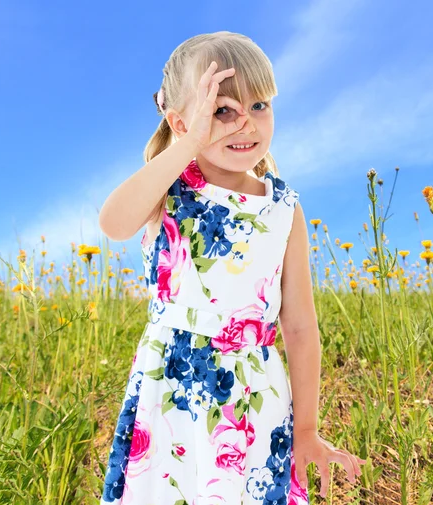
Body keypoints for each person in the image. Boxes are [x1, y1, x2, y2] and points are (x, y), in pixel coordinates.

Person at [98, 31, 366, 504]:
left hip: (253, 396)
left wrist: (306, 428)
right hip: (170, 392)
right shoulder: (168, 188)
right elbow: (113, 223)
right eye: (222, 110)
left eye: (259, 105)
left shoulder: (283, 207)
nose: (246, 124)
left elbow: (300, 326)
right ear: (181, 121)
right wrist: (185, 145)